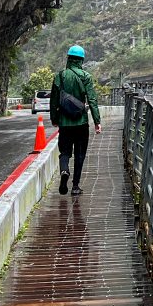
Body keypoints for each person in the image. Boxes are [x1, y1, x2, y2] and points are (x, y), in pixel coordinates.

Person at [49, 44, 101, 196]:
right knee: (79, 155)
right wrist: (97, 121)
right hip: (81, 122)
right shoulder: (86, 76)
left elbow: (54, 100)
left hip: (65, 123)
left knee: (64, 152)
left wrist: (54, 118)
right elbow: (92, 100)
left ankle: (64, 170)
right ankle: (75, 186)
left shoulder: (60, 76)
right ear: (81, 60)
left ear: (69, 58)